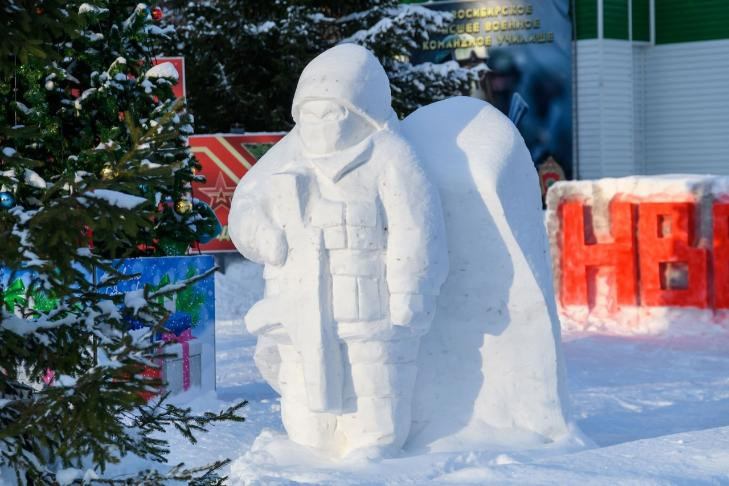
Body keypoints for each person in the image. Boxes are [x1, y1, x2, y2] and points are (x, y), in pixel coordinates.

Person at [229, 44, 448, 458]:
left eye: (331, 113)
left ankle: (374, 448)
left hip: (370, 304)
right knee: (304, 389)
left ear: (361, 111)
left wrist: (412, 292)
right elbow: (246, 205)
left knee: (375, 382)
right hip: (298, 303)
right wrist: (263, 235)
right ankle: (310, 447)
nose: (318, 125)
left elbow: (417, 227)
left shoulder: (389, 155)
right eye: (308, 114)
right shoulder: (289, 154)